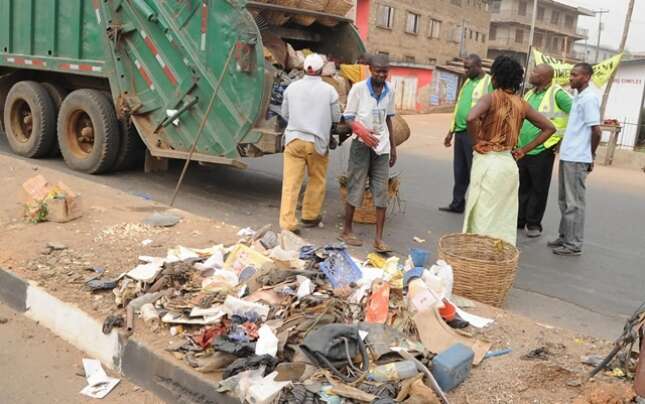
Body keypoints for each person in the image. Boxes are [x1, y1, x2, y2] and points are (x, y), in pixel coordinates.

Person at [463, 56, 555, 246]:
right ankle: (499, 258)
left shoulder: (490, 98)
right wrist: (524, 150)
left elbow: (471, 117)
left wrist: (477, 142)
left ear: (495, 78)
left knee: (482, 214)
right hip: (508, 163)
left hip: (488, 161)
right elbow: (549, 128)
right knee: (503, 217)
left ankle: (479, 256)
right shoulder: (522, 104)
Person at [339, 54, 397, 253]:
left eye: (384, 71)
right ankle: (346, 231)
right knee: (356, 184)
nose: (381, 75)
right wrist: (360, 130)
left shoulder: (390, 91)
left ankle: (378, 239)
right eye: (378, 71)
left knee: (381, 190)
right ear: (370, 69)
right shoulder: (358, 89)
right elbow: (347, 117)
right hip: (361, 145)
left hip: (382, 146)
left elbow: (389, 119)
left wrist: (393, 147)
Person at [279, 53, 341, 233]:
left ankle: (288, 223)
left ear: (304, 69)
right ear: (321, 70)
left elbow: (285, 113)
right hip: (317, 143)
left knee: (290, 184)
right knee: (317, 179)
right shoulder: (329, 91)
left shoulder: (292, 88)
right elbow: (336, 118)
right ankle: (309, 215)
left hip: (294, 141)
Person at [548, 63, 601, 256]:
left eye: (575, 75)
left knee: (575, 203)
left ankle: (574, 244)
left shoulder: (589, 99)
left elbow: (596, 131)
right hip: (568, 156)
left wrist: (591, 156)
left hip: (578, 158)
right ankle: (564, 237)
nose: (571, 78)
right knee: (564, 200)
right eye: (571, 74)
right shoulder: (578, 96)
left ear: (586, 77)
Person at [517, 64, 572, 238]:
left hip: (543, 147)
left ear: (546, 77)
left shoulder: (558, 94)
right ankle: (520, 219)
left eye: (535, 72)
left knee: (538, 188)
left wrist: (561, 139)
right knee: (522, 186)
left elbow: (577, 113)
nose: (531, 74)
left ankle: (533, 224)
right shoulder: (529, 93)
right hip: (523, 148)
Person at [440, 54, 493, 214]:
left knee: (475, 171)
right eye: (464, 67)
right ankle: (457, 204)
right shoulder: (468, 81)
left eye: (468, 67)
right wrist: (451, 130)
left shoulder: (489, 82)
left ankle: (478, 208)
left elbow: (492, 107)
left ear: (478, 66)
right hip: (461, 132)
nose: (465, 70)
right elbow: (459, 106)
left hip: (476, 134)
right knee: (460, 170)